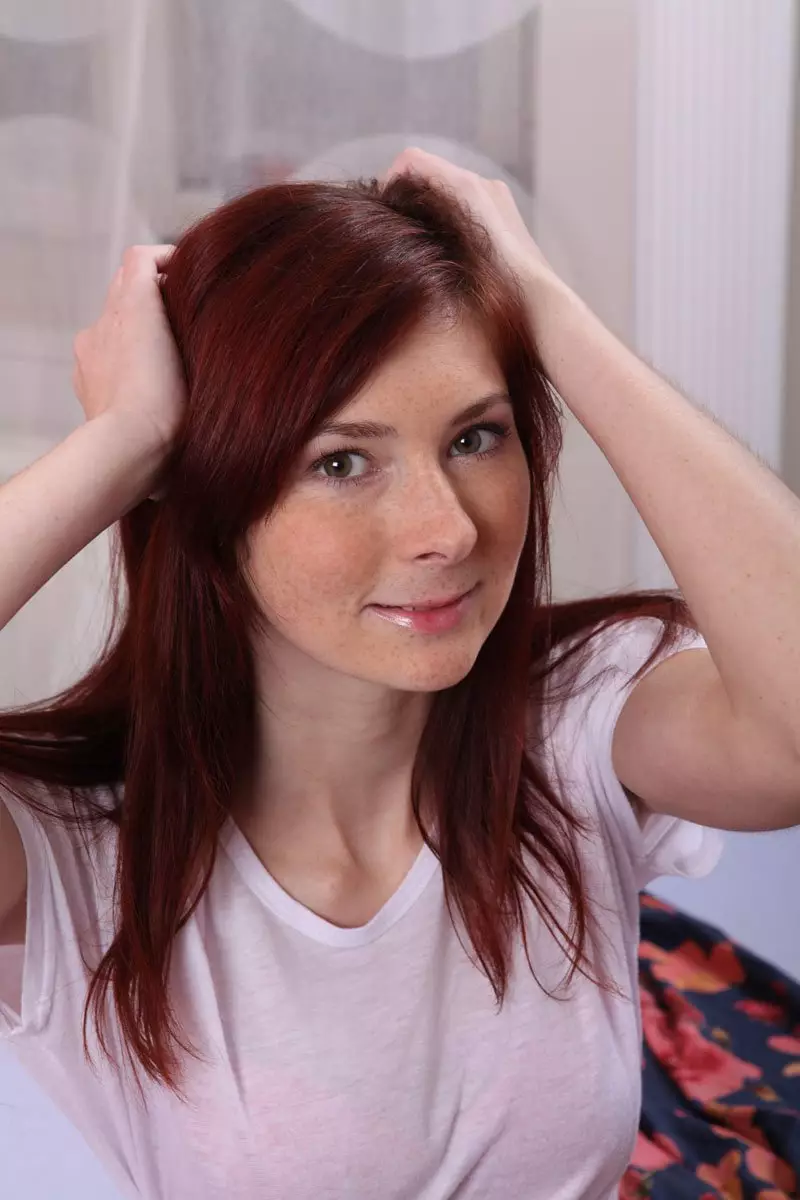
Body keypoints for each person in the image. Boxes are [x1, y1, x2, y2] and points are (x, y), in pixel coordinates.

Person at [0, 146, 798, 1200]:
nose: (447, 529)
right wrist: (125, 441)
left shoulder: (576, 715)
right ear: (206, 494)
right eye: (341, 462)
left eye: (476, 437)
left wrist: (548, 310)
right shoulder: (75, 855)